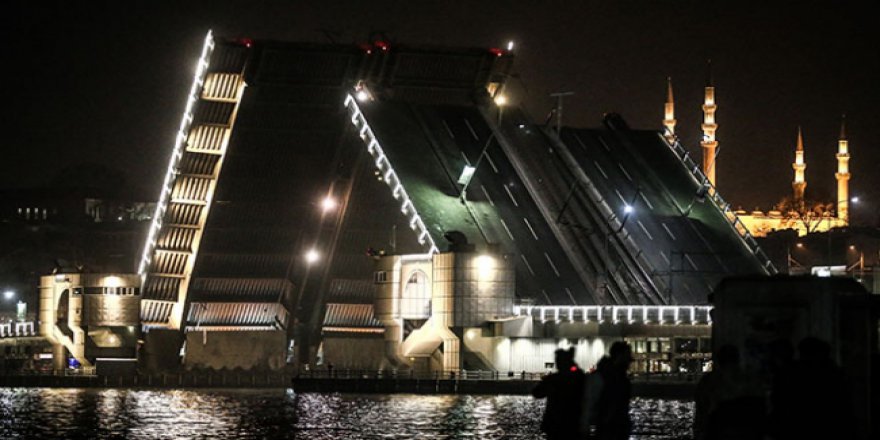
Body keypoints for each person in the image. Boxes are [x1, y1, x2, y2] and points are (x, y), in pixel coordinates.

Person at [694, 344, 764, 440]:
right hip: (746, 430)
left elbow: (701, 409)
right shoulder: (749, 380)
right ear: (738, 359)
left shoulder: (709, 381)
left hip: (718, 428)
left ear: (718, 360)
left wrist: (699, 431)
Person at [532, 347, 587, 440]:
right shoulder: (578, 379)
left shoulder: (553, 379)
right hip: (573, 423)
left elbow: (537, 393)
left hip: (555, 424)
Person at [587, 341, 633, 440]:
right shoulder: (613, 377)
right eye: (627, 357)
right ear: (619, 356)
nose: (630, 361)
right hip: (610, 429)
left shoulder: (605, 375)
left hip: (611, 428)